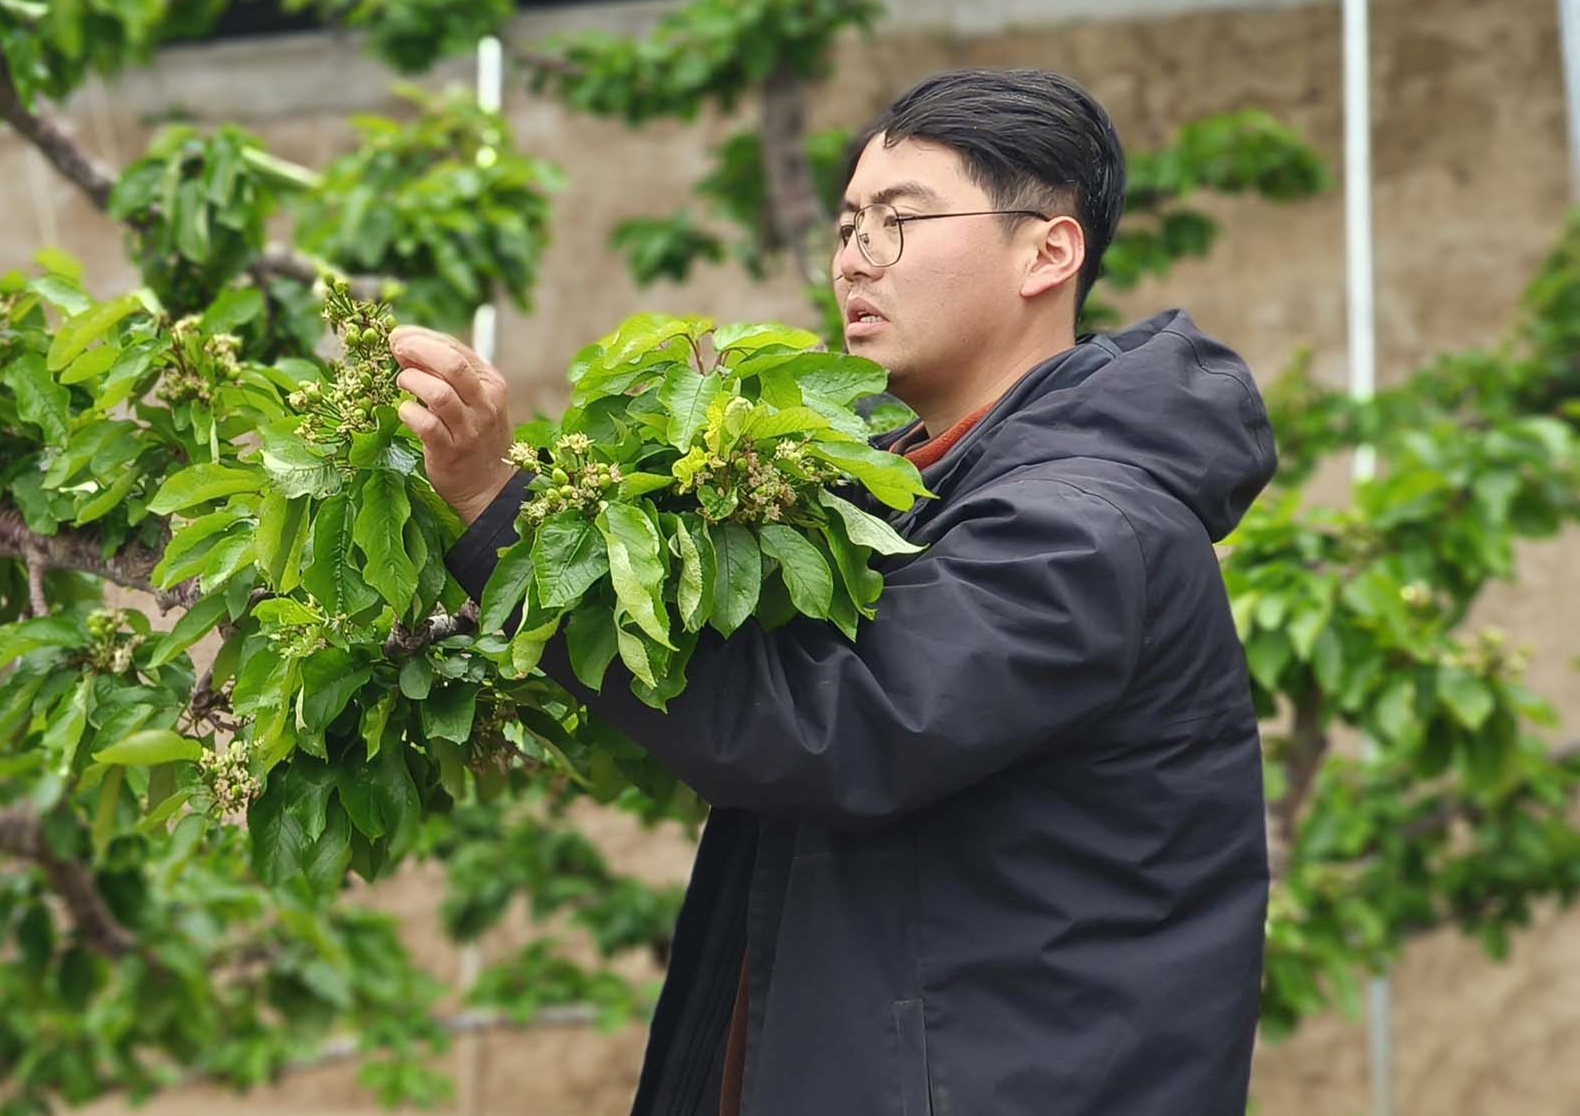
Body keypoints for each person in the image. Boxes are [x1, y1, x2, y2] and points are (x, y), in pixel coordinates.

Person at [391, 68, 1274, 1116]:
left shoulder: (1085, 526)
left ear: (1048, 252)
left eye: (901, 221)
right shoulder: (884, 490)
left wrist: (499, 511)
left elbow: (830, 728)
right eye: (849, 224)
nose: (856, 256)